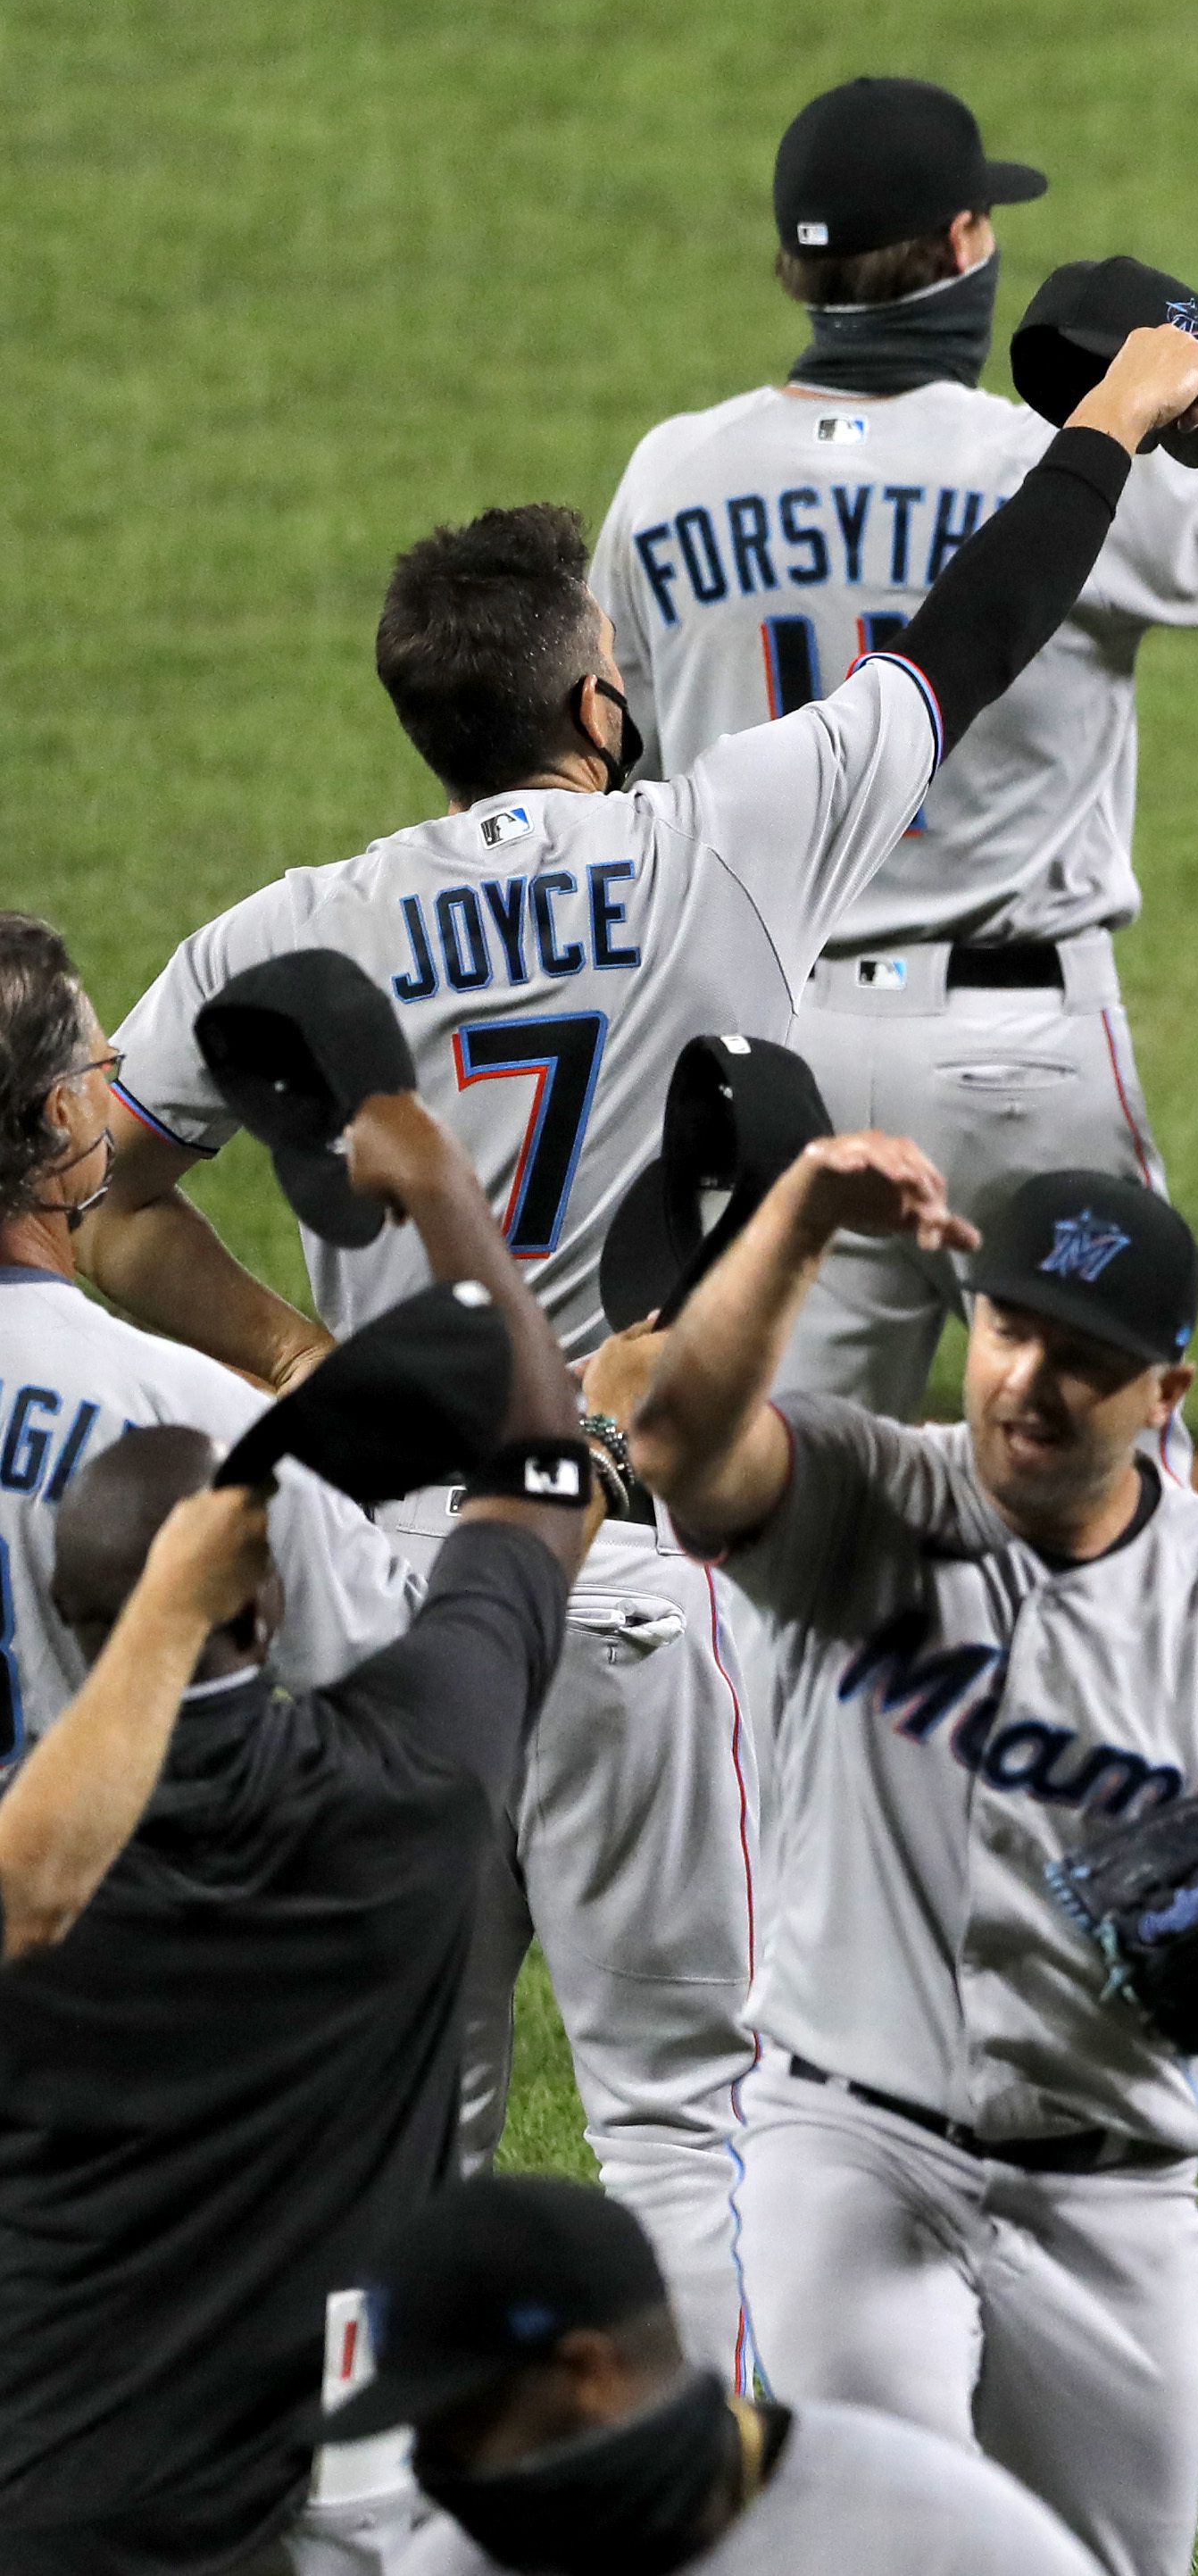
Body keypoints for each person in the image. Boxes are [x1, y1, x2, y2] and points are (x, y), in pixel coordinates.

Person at [81, 325, 1198, 2369]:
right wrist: (1109, 425)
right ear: (596, 696)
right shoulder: (719, 835)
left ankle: (375, 2528)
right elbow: (967, 637)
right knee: (684, 2112)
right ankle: (713, 2521)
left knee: (388, 2128)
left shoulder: (279, 933)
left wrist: (301, 1363)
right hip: (607, 1563)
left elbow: (103, 1189)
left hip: (367, 1591)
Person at [593, 5, 1198, 1446]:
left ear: (798, 269)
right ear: (963, 246)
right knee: (1115, 1499)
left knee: (781, 1500)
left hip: (774, 1051)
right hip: (1018, 1062)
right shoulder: (1066, 464)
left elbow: (608, 751)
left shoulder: (666, 479)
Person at [623, 1140, 1198, 2576]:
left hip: (1110, 2193)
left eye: (1084, 1356)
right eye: (1008, 1329)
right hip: (850, 2145)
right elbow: (681, 1444)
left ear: (1163, 1391)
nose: (1026, 1381)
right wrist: (804, 1213)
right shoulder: (854, 1494)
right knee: (881, 2548)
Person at [0, 1090, 596, 2576]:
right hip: (297, 2461)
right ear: (255, 1596)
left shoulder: (33, 1917)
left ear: (88, 1623)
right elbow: (530, 1484)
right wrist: (451, 1201)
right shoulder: (408, 1795)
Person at [0, 915, 417, 1747]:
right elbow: (407, 1670)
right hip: (111, 1872)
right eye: (96, 1068)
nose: (114, 1073)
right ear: (57, 1117)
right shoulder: (187, 1419)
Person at [317, 2175, 1099, 2576]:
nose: (435, 2468)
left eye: (460, 2422)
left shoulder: (932, 2533)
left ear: (590, 2372)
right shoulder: (454, 2566)